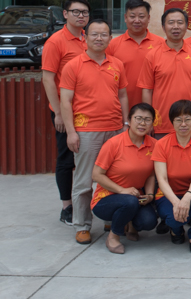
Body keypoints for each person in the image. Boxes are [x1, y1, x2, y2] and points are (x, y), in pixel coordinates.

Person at [60, 18, 129, 245]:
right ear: (85, 37)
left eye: (104, 34)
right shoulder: (73, 65)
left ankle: (110, 218)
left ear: (110, 38)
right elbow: (65, 101)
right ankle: (82, 225)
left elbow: (122, 95)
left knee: (114, 177)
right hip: (86, 130)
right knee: (84, 180)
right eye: (94, 34)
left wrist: (125, 124)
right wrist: (71, 132)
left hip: (115, 129)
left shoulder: (117, 64)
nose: (99, 38)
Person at [41, 0, 89, 226]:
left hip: (88, 110)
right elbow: (48, 79)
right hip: (65, 110)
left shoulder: (88, 38)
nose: (81, 16)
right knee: (66, 158)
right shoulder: (56, 42)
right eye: (76, 12)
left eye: (85, 12)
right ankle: (66, 207)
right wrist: (59, 113)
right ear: (65, 14)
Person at [90, 103, 158, 254]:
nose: (142, 123)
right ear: (129, 120)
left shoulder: (154, 145)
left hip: (135, 197)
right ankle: (113, 236)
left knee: (149, 221)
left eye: (147, 120)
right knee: (129, 201)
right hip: (106, 199)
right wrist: (122, 190)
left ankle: (130, 223)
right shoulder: (113, 144)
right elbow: (96, 174)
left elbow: (151, 174)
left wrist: (149, 195)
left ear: (152, 123)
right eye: (138, 118)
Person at [152, 100, 191, 253]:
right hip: (168, 194)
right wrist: (176, 202)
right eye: (178, 120)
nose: (183, 124)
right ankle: (176, 230)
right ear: (172, 122)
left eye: (188, 119)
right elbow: (162, 179)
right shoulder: (161, 144)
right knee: (175, 219)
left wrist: (187, 197)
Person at [138, 8, 191, 136]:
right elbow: (147, 90)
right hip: (161, 124)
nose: (176, 26)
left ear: (186, 27)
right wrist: (148, 119)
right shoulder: (152, 55)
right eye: (171, 22)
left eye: (180, 22)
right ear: (163, 27)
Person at [107, 0, 164, 108]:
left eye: (141, 16)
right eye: (132, 16)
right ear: (125, 18)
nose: (137, 20)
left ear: (148, 18)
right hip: (121, 106)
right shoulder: (112, 45)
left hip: (154, 107)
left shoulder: (161, 43)